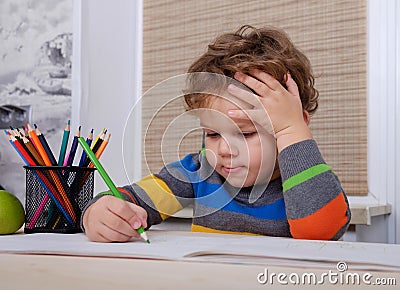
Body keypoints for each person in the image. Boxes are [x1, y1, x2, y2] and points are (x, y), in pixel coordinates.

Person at [82, 25, 351, 242]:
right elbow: (129, 200)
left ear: (296, 128)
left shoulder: (309, 181)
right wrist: (100, 212)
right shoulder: (199, 171)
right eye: (212, 134)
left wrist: (292, 130)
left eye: (245, 135)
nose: (224, 150)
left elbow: (320, 233)